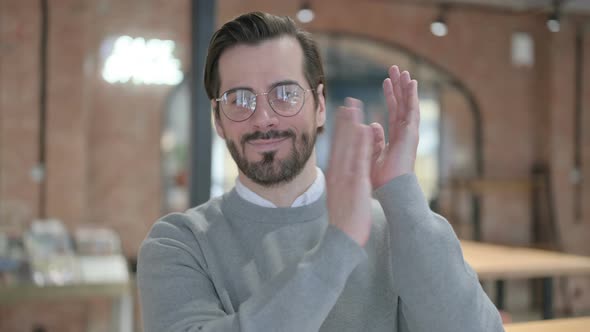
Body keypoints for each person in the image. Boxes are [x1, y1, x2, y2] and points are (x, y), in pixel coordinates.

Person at [137, 11, 503, 332]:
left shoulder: (395, 226)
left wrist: (401, 192)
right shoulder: (180, 244)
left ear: (320, 106)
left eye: (285, 93)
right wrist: (339, 246)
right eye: (239, 99)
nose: (263, 118)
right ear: (218, 120)